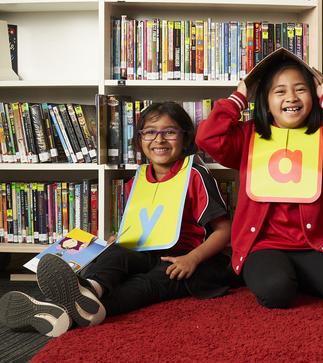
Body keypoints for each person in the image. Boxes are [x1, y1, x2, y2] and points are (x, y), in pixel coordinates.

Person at [0, 102, 233, 336]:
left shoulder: (195, 175)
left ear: (185, 137)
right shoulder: (137, 179)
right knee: (114, 255)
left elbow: (224, 231)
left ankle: (67, 314)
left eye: (169, 132)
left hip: (182, 260)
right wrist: (119, 238)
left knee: (146, 285)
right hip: (144, 252)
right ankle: (89, 289)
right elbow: (142, 224)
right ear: (140, 139)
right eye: (150, 132)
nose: (159, 139)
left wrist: (192, 258)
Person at [196, 50, 323, 308]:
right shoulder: (248, 137)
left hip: (312, 247)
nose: (291, 98)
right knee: (276, 293)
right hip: (263, 246)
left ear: (313, 96)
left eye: (301, 89)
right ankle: (283, 277)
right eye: (279, 91)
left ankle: (299, 277)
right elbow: (208, 137)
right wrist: (239, 97)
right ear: (265, 100)